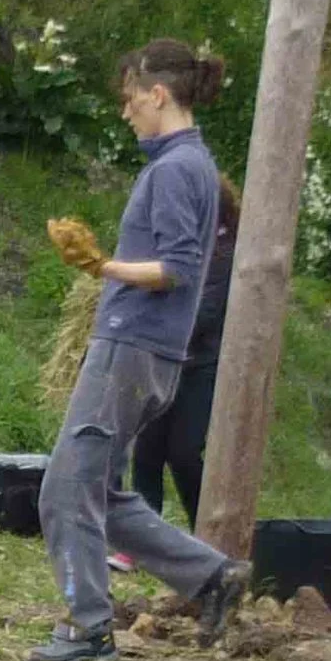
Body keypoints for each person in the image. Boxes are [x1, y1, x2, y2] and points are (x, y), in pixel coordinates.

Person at [32, 46, 250, 661]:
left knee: (65, 490)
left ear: (158, 95)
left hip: (132, 346)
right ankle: (211, 578)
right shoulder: (191, 165)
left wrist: (103, 268)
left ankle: (88, 628)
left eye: (130, 97)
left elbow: (178, 267)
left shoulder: (177, 170)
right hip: (147, 350)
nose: (125, 110)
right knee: (100, 488)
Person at [130, 175, 239, 526]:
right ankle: (142, 538)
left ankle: (204, 532)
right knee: (146, 451)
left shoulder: (227, 254)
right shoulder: (179, 246)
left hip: (201, 366)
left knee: (184, 453)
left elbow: (205, 313)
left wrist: (156, 326)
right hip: (163, 360)